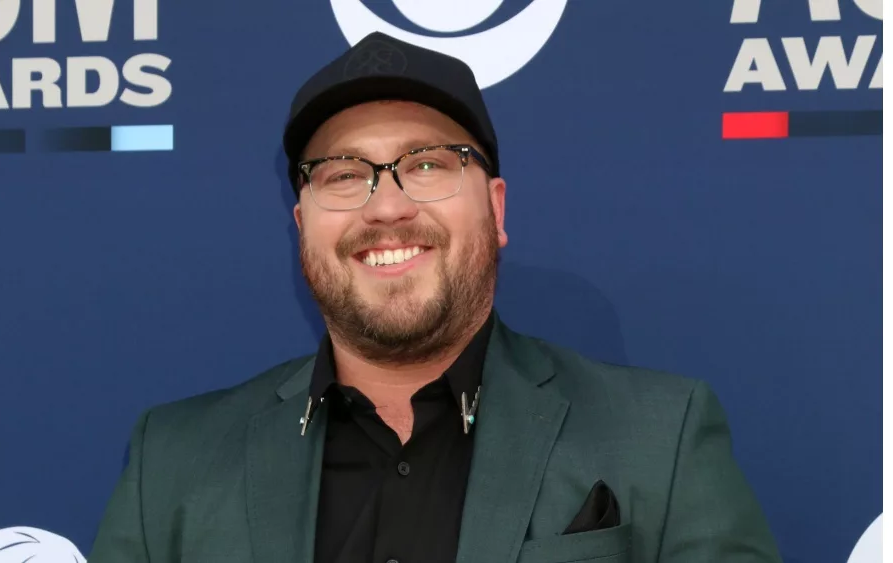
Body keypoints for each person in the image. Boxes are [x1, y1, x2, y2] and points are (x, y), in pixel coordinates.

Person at [89, 32, 782, 563]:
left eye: (426, 164)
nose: (385, 206)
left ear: (496, 209)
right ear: (302, 226)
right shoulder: (171, 465)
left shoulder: (661, 437)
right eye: (341, 173)